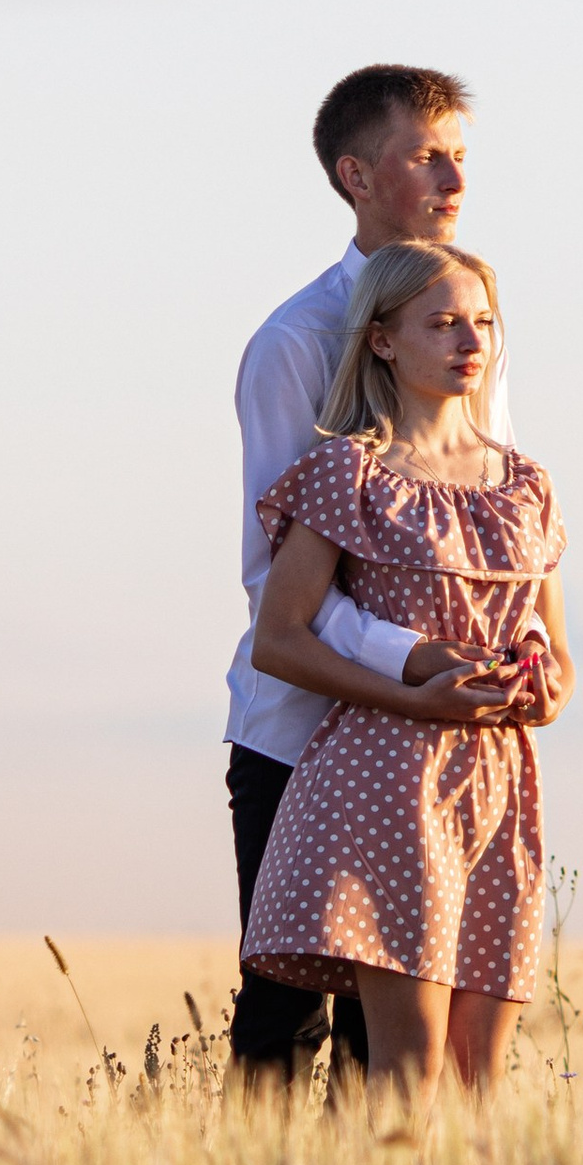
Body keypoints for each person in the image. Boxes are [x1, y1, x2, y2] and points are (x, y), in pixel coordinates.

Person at [225, 65, 518, 1093]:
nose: (453, 178)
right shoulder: (294, 344)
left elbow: (490, 530)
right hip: (302, 729)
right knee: (285, 1012)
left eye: (461, 157)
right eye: (425, 155)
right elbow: (279, 582)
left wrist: (508, 665)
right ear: (355, 175)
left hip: (439, 742)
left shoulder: (470, 327)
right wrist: (417, 662)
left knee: (403, 1028)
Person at [242, 241, 571, 1107]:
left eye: (483, 322)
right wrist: (412, 693)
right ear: (383, 340)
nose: (472, 341)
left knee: (478, 1077)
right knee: (409, 1068)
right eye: (444, 322)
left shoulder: (527, 486)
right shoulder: (344, 472)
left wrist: (539, 684)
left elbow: (560, 656)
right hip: (381, 775)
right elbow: (279, 640)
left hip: (500, 783)